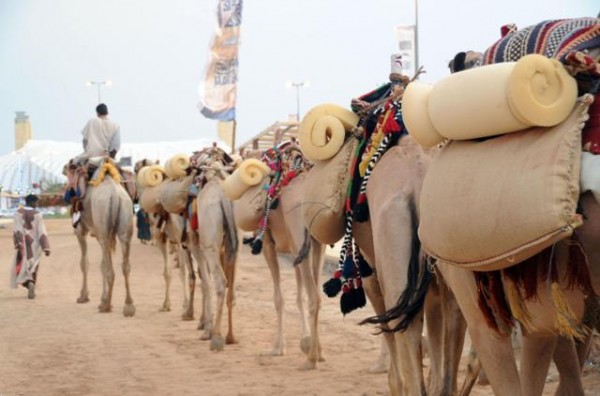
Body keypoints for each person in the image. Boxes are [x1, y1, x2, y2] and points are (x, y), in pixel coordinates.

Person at [10, 194, 51, 299]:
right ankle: (31, 282)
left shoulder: (18, 213)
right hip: (35, 246)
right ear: (31, 202)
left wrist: (18, 243)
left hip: (23, 245)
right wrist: (46, 247)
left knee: (21, 267)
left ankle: (28, 284)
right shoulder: (38, 214)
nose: (37, 204)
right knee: (33, 267)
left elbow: (17, 229)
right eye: (36, 202)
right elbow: (42, 231)